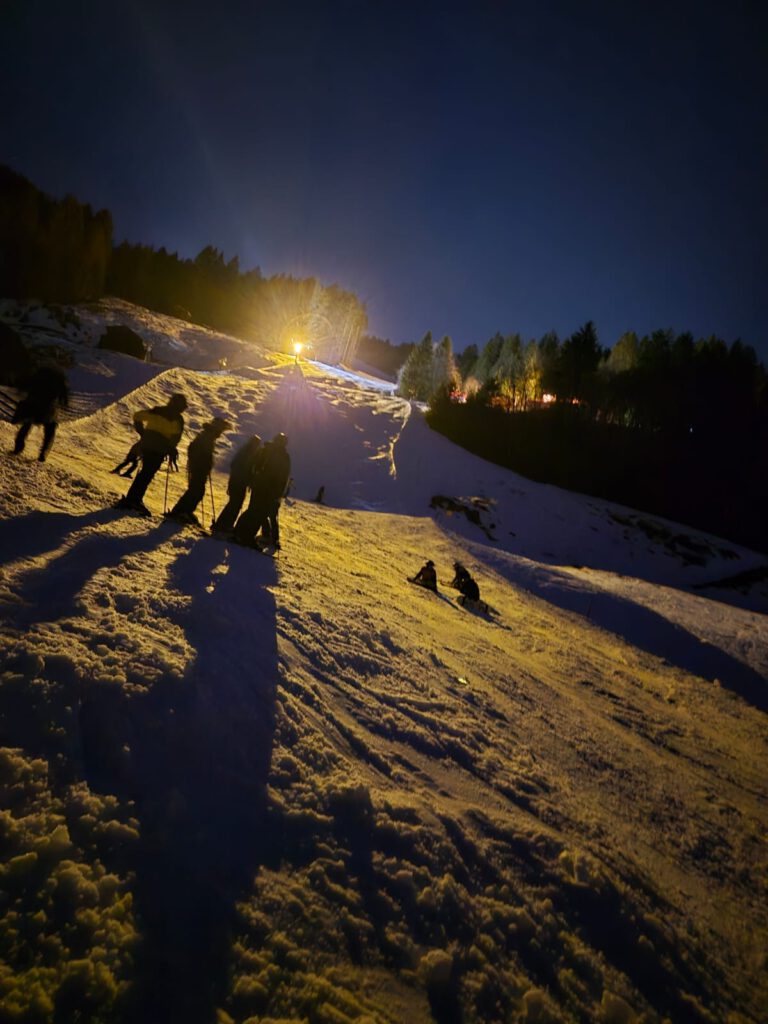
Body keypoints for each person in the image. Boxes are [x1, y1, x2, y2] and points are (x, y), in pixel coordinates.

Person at [116, 393, 187, 515]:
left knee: (144, 473)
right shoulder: (177, 419)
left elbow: (137, 416)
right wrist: (170, 449)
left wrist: (143, 433)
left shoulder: (157, 411)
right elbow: (175, 438)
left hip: (147, 445)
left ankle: (133, 499)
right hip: (160, 449)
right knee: (147, 475)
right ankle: (133, 501)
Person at [166, 417, 231, 524]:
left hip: (200, 468)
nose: (220, 434)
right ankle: (181, 511)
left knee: (197, 490)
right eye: (220, 430)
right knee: (195, 490)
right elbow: (195, 449)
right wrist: (202, 463)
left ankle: (185, 511)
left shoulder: (208, 436)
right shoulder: (207, 437)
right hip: (199, 468)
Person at [233, 432, 291, 549]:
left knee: (252, 510)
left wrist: (252, 480)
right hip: (269, 490)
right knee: (260, 513)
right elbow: (283, 477)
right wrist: (279, 493)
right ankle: (247, 537)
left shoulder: (266, 450)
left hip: (258, 486)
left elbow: (253, 465)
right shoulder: (283, 456)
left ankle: (239, 532)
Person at [11, 365, 69, 462]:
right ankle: (43, 452)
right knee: (51, 428)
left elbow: (23, 386)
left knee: (27, 424)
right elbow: (64, 398)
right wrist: (63, 403)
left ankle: (18, 447)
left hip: (33, 406)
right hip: (49, 409)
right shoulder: (59, 379)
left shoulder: (38, 374)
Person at [211, 434, 262, 533]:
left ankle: (223, 524)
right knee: (235, 504)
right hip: (239, 483)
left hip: (236, 481)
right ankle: (224, 525)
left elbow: (234, 465)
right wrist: (248, 479)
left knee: (234, 504)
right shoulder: (249, 454)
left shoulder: (244, 452)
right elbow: (244, 470)